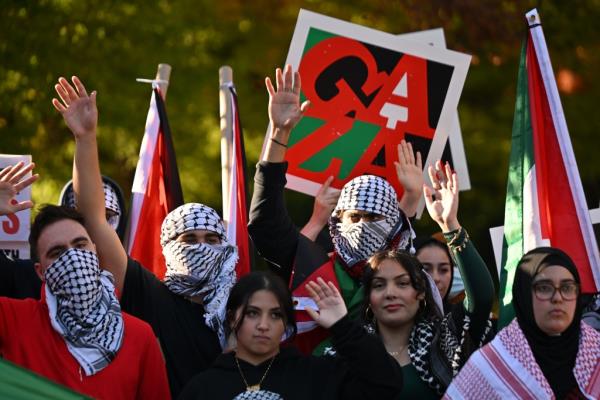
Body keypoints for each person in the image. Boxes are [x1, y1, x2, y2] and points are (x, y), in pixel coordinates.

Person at [52, 75, 233, 397]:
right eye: (189, 239)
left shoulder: (246, 305)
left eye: (212, 239)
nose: (202, 247)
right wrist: (85, 139)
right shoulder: (152, 296)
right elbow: (94, 218)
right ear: (167, 247)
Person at [248, 65, 419, 353]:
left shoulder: (412, 277)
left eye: (374, 217)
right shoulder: (314, 267)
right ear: (338, 222)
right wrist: (279, 134)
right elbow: (266, 223)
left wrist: (413, 196)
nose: (363, 225)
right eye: (355, 217)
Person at [0, 171, 170, 399]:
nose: (72, 257)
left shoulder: (140, 335)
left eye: (80, 245)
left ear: (95, 252)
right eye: (57, 252)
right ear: (41, 272)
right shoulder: (13, 319)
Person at [360, 161, 494, 398]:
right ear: (368, 297)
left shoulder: (442, 344)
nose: (391, 293)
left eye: (402, 283)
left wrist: (450, 224)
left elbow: (482, 298)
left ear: (421, 292)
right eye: (379, 285)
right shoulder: (346, 353)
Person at [179, 271, 403, 400]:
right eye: (252, 313)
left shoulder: (318, 375)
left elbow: (385, 384)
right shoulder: (203, 388)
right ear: (231, 318)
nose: (264, 325)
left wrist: (342, 326)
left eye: (276, 315)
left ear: (286, 322)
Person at [444, 247, 600, 399]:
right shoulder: (489, 367)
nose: (558, 298)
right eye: (544, 288)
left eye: (567, 287)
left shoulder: (596, 352)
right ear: (524, 294)